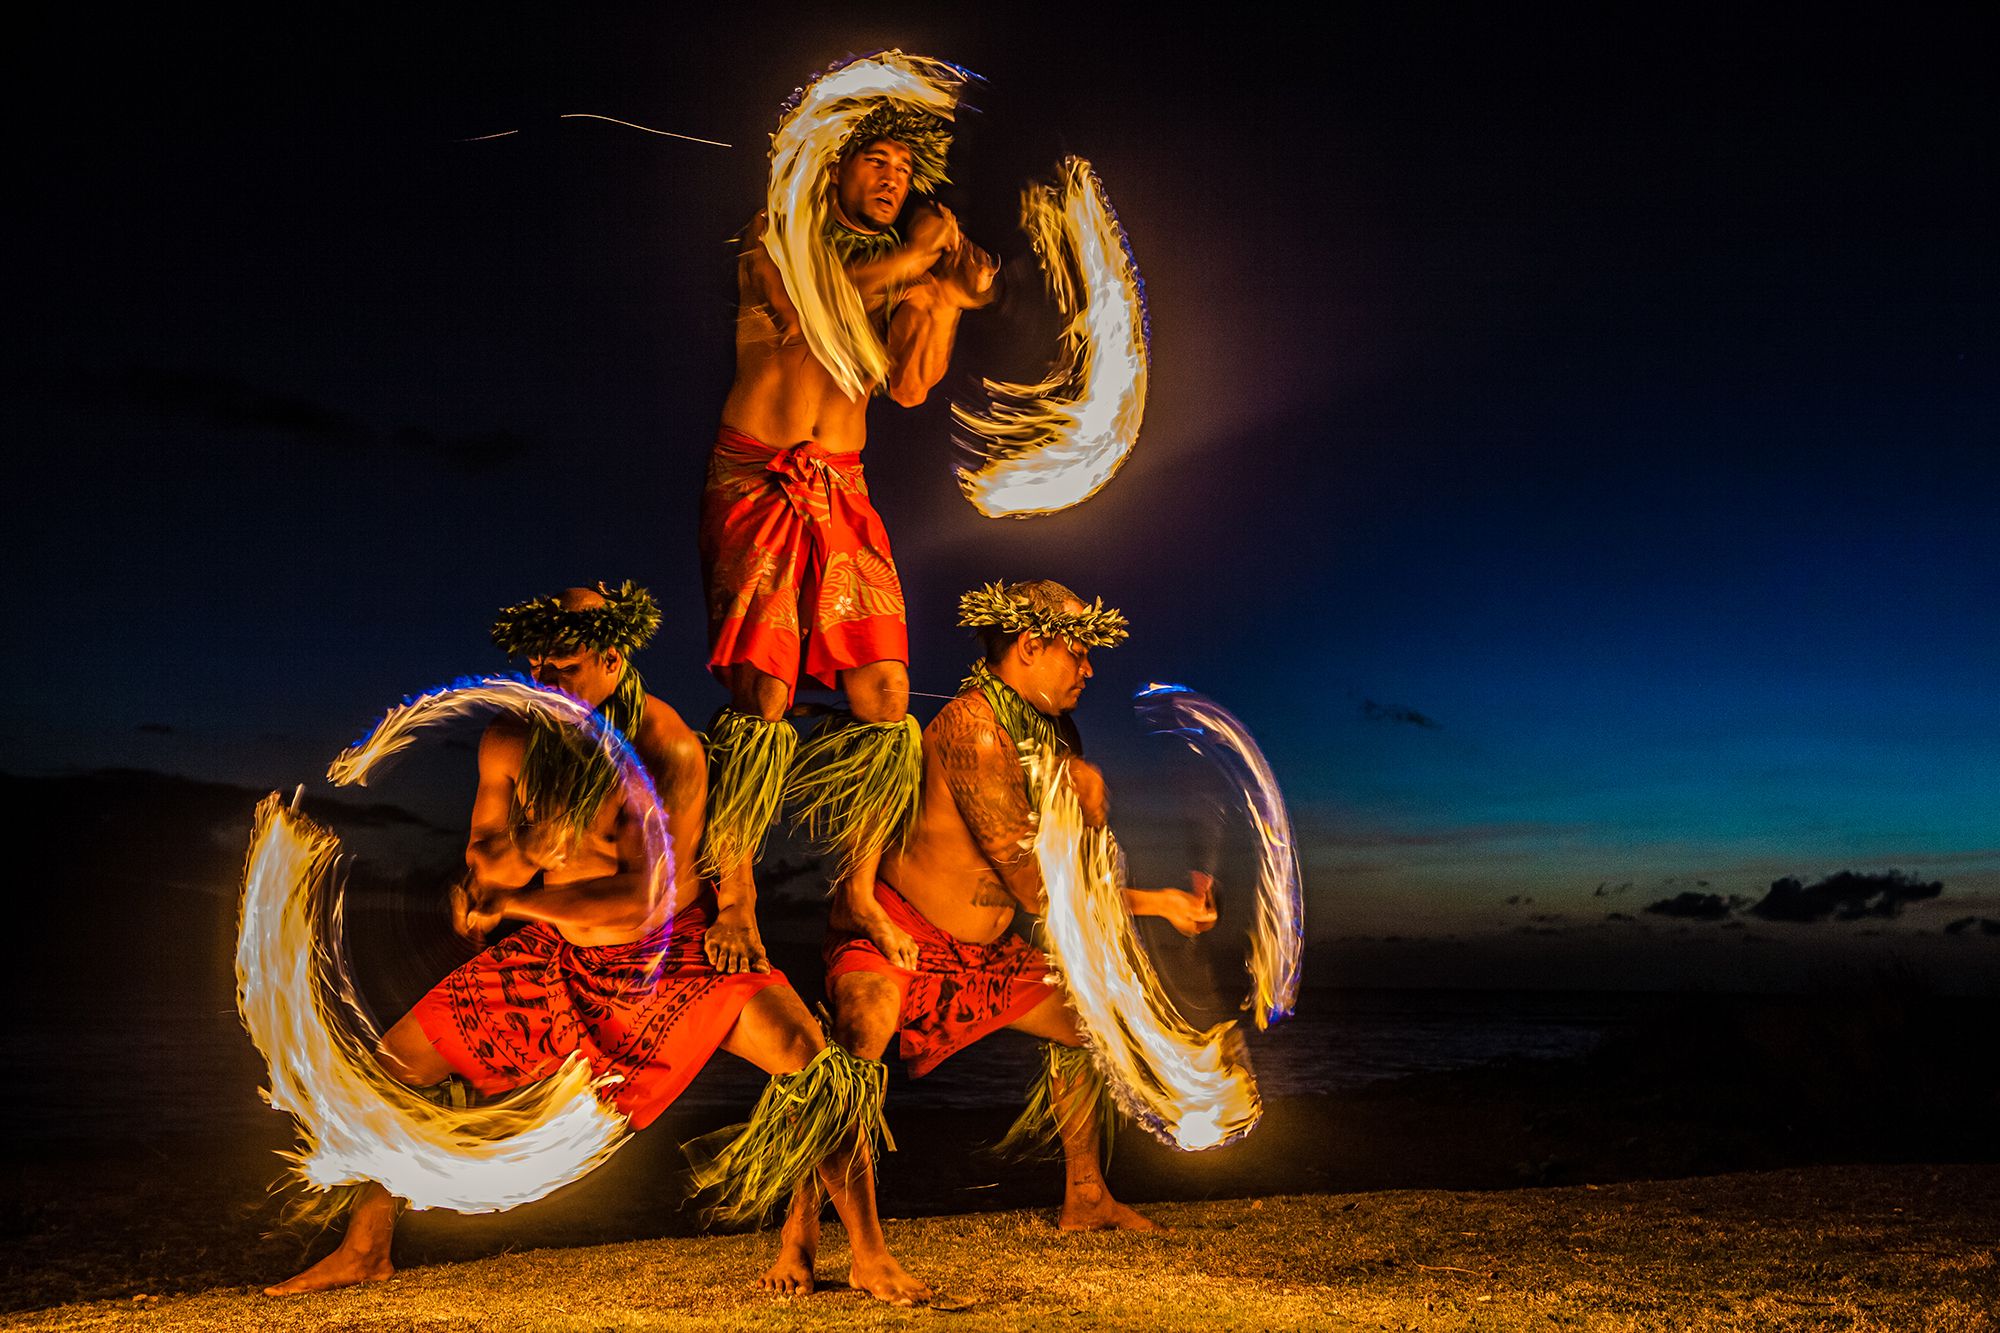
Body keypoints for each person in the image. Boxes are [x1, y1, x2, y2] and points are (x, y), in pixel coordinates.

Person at [265, 583, 925, 1305]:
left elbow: (643, 897)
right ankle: (365, 1248)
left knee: (814, 1064)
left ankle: (868, 1253)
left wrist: (516, 896)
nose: (545, 683)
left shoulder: (665, 747)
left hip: (673, 957)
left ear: (613, 658)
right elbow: (487, 855)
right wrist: (519, 856)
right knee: (391, 1066)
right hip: (558, 958)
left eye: (566, 668)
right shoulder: (512, 738)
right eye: (538, 668)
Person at [762, 579, 1219, 1288]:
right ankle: (821, 1238)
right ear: (1030, 646)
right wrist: (1154, 901)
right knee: (851, 1061)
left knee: (1083, 1025)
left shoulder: (1051, 733)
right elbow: (1035, 885)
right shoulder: (975, 728)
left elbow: (1058, 861)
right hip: (899, 936)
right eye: (1078, 650)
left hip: (983, 954)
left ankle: (1087, 1196)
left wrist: (1088, 812)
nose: (1089, 668)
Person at [698, 91, 998, 979]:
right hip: (759, 478)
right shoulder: (778, 234)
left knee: (887, 694)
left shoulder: (898, 269)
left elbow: (907, 385)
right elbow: (809, 310)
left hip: (848, 491)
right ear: (834, 165)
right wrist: (919, 257)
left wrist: (946, 298)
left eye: (905, 171)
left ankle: (856, 887)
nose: (892, 179)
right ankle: (739, 893)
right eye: (878, 162)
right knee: (766, 694)